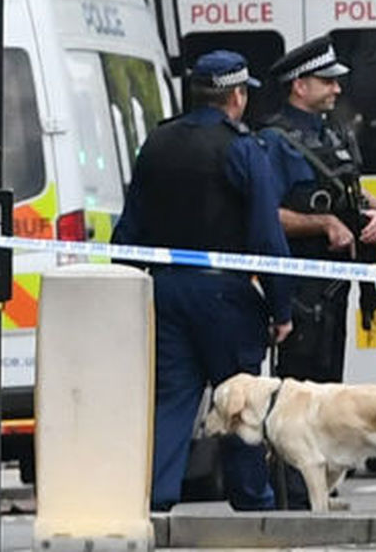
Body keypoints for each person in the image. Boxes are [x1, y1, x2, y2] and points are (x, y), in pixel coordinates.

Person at [112, 49, 294, 513]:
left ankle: (153, 502)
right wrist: (281, 307)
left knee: (171, 398)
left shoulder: (157, 142)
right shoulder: (242, 148)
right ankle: (253, 504)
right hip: (224, 296)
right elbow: (266, 235)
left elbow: (129, 228)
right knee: (240, 400)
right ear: (237, 96)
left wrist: (126, 288)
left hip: (165, 290)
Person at [258, 34, 376, 508]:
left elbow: (352, 191)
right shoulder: (274, 142)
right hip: (298, 288)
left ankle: (319, 489)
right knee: (296, 394)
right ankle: (293, 494)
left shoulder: (334, 134)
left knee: (327, 392)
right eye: (327, 81)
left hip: (336, 287)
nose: (337, 89)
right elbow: (265, 214)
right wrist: (322, 224)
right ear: (300, 86)